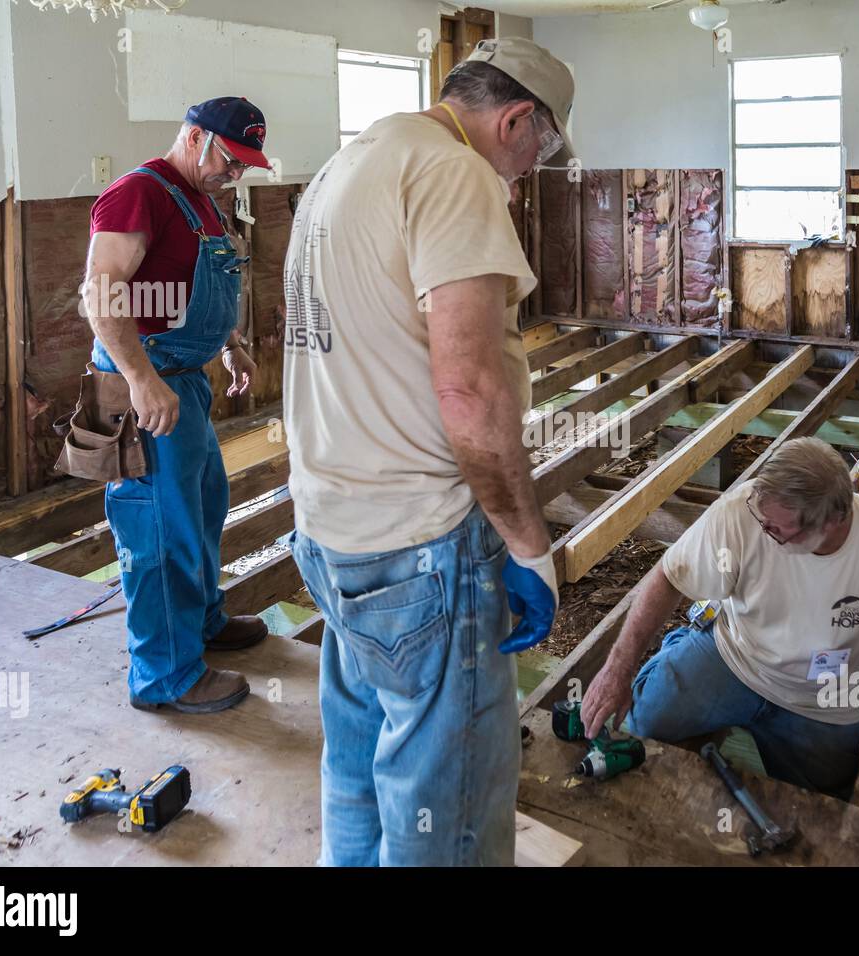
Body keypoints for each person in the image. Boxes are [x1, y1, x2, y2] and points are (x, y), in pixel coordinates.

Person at [282, 38, 577, 866]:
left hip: (330, 527)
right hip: (422, 548)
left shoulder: (350, 166)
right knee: (445, 803)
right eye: (539, 152)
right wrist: (529, 545)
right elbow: (471, 395)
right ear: (517, 119)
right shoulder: (456, 175)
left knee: (359, 760)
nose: (528, 172)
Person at [579, 438, 859, 801]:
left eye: (778, 530)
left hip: (822, 700)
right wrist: (618, 670)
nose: (764, 528)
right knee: (644, 722)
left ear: (831, 522)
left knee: (825, 807)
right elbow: (668, 576)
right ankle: (681, 651)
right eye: (761, 516)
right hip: (734, 656)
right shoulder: (743, 512)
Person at [82, 97, 270, 713]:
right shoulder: (139, 193)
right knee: (158, 528)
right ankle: (163, 674)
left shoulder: (199, 202)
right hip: (149, 386)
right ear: (194, 138)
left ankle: (203, 622)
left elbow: (192, 291)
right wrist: (137, 378)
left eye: (245, 166)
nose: (234, 174)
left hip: (184, 380)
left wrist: (232, 345)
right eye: (229, 159)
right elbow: (101, 292)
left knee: (203, 507)